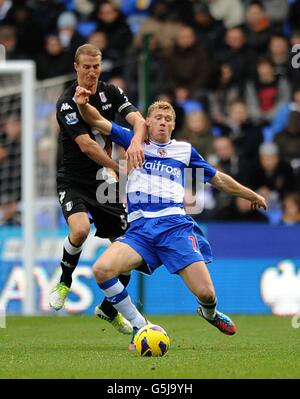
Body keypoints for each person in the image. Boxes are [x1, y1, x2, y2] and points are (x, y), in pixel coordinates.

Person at [74, 86, 267, 349]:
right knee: (101, 270)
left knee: (207, 293)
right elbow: (96, 120)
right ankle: (139, 325)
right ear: (148, 123)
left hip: (175, 227)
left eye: (168, 120)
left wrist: (250, 195)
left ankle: (208, 313)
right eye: (158, 119)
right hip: (140, 230)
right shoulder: (133, 140)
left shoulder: (184, 151)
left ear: (173, 126)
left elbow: (218, 179)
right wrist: (83, 104)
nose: (163, 123)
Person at [49, 44, 147, 336]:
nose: (92, 73)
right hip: (75, 180)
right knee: (79, 230)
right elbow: (88, 145)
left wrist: (136, 141)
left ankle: (108, 309)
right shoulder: (67, 102)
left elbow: (138, 120)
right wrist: (117, 168)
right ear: (76, 67)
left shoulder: (110, 92)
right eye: (87, 67)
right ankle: (65, 280)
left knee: (128, 249)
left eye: (96, 67)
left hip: (104, 184)